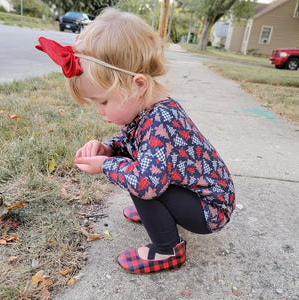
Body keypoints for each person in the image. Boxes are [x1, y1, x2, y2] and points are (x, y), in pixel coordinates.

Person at [36, 8, 235, 274]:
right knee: (133, 168)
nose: (99, 111)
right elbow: (131, 139)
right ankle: (158, 217)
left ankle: (167, 250)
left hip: (209, 209)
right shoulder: (150, 110)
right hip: (197, 195)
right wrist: (108, 148)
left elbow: (146, 183)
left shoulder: (161, 121)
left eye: (103, 101)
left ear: (138, 85)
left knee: (139, 180)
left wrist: (106, 165)